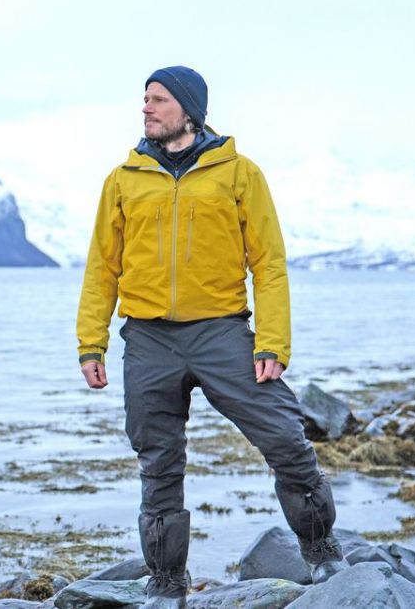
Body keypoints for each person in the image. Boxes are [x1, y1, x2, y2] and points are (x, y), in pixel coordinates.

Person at [75, 65, 347, 608]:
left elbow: (268, 262)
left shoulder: (239, 173)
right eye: (144, 100)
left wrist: (272, 342)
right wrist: (91, 342)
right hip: (148, 340)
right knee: (158, 463)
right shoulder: (123, 180)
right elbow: (101, 267)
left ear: (188, 109)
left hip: (222, 333)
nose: (146, 109)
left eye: (157, 99)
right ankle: (167, 585)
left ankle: (321, 551)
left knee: (285, 439)